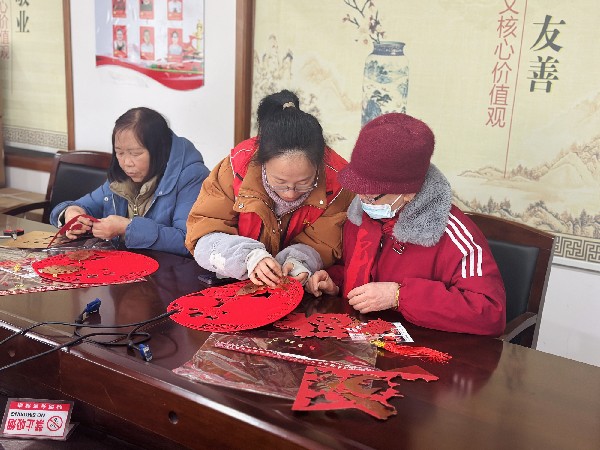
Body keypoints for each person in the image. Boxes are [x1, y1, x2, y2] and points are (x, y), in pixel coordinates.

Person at [306, 113, 506, 336]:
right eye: (358, 190)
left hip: (427, 347)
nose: (361, 200)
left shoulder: (452, 233)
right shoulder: (361, 215)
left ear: (409, 192)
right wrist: (334, 282)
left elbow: (489, 312)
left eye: (372, 196)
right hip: (364, 341)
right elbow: (363, 274)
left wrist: (399, 296)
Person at [185, 90, 354, 288]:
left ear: (319, 166)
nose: (290, 193)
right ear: (262, 163)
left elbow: (323, 243)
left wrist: (299, 262)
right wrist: (248, 257)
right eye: (280, 182)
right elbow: (202, 235)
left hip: (294, 291)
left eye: (304, 182)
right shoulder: (235, 169)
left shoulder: (338, 184)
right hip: (233, 283)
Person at [50, 107, 210, 257]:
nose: (126, 163)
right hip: (126, 267)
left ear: (159, 150)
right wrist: (71, 214)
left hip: (171, 272)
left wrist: (127, 228)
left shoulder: (192, 176)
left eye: (135, 154)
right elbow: (82, 206)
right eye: (119, 153)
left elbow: (188, 241)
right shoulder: (121, 178)